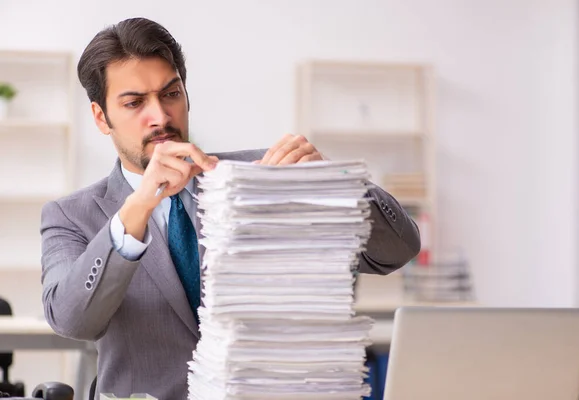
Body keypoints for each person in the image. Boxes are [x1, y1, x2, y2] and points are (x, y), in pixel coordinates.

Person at [40, 17, 421, 400]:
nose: (160, 116)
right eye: (135, 103)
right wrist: (137, 207)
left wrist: (335, 185)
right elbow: (73, 320)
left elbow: (398, 250)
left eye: (170, 94)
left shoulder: (261, 174)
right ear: (101, 117)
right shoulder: (71, 215)